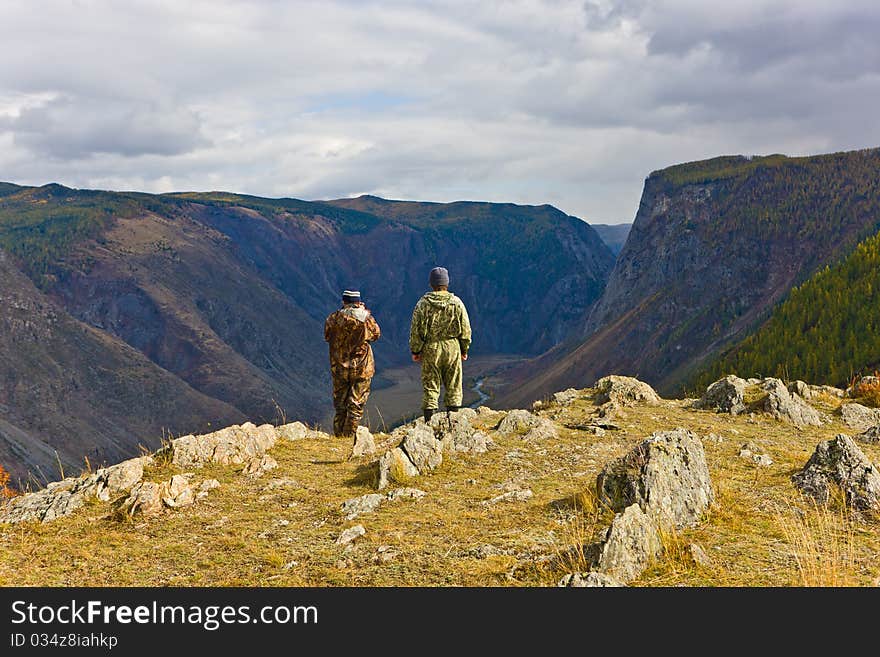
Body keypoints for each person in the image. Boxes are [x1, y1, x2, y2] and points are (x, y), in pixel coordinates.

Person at [409, 266, 472, 422]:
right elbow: (465, 330)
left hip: (431, 349)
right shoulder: (456, 303)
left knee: (431, 386)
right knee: (453, 386)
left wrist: (416, 351)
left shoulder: (422, 304)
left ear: (431, 284)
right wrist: (464, 349)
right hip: (452, 347)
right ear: (447, 283)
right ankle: (454, 423)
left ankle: (429, 423)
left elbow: (415, 330)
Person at [324, 290, 381, 441]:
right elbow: (376, 334)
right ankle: (348, 437)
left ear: (344, 301)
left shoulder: (333, 318)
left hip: (339, 367)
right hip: (361, 367)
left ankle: (338, 436)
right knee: (356, 404)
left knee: (340, 405)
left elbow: (327, 335)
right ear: (358, 302)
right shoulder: (365, 318)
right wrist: (364, 313)